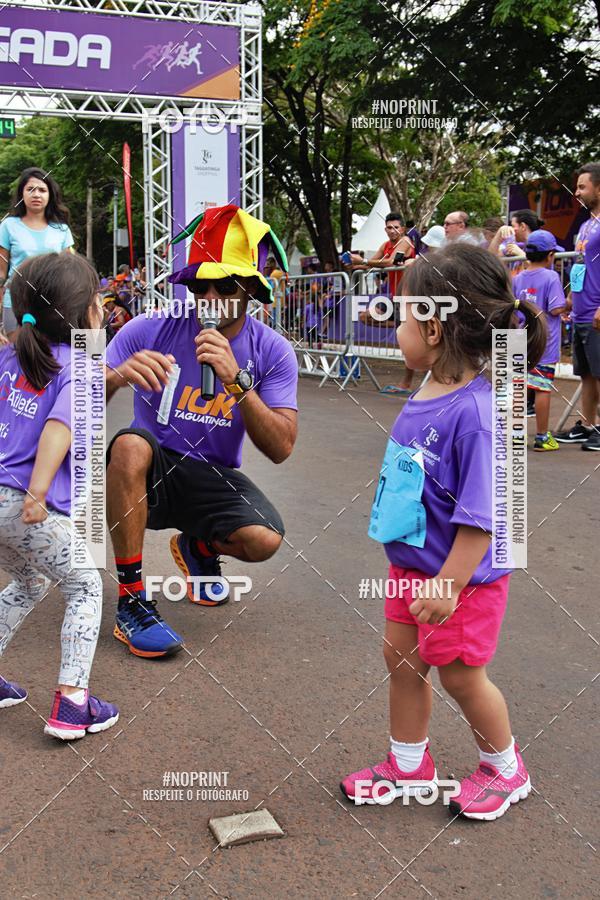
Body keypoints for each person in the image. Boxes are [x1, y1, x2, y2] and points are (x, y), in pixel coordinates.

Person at [340, 243, 546, 820]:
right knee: (401, 661)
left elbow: (485, 516)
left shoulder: (479, 413)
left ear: (432, 328)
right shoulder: (430, 388)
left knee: (459, 674)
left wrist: (450, 583)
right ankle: (409, 764)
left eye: (402, 315)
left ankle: (506, 768)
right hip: (412, 568)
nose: (397, 325)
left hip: (461, 579)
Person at [104, 204, 298, 658]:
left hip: (212, 474)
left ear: (251, 287)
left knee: (265, 538)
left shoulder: (272, 351)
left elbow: (282, 446)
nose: (208, 296)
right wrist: (115, 377)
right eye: (197, 284)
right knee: (130, 444)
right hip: (152, 470)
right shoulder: (150, 328)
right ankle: (132, 601)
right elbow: (77, 404)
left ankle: (197, 546)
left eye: (223, 284)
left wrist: (237, 382)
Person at [0, 251, 118, 738]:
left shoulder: (10, 355)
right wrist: (38, 491)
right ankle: (73, 702)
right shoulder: (79, 365)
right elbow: (58, 428)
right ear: (81, 311)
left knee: (29, 582)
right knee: (86, 585)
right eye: (97, 298)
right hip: (26, 506)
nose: (104, 305)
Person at [555, 164, 600, 450]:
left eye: (583, 186)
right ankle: (587, 424)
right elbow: (581, 266)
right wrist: (570, 298)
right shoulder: (586, 225)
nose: (578, 192)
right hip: (581, 310)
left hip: (597, 311)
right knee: (585, 373)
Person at [346, 212, 416, 394]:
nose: (392, 231)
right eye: (389, 227)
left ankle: (406, 384)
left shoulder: (406, 242)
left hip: (410, 297)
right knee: (365, 316)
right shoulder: (385, 245)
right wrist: (355, 264)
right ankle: (401, 325)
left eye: (396, 227)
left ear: (402, 229)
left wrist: (365, 261)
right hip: (394, 298)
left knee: (406, 344)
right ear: (385, 229)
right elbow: (373, 264)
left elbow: (392, 262)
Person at [0, 168, 74, 339]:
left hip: (53, 303)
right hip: (16, 303)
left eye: (42, 190)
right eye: (30, 189)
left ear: (50, 195)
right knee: (16, 356)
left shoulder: (62, 230)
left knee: (52, 357)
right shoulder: (8, 226)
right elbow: (1, 273)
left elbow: (70, 272)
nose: (36, 194)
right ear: (21, 194)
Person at [512, 231, 566, 451]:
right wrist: (569, 304)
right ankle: (543, 437)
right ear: (550, 255)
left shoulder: (518, 278)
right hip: (544, 343)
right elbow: (556, 307)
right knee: (542, 388)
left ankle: (516, 437)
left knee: (519, 388)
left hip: (520, 340)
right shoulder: (551, 277)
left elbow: (514, 310)